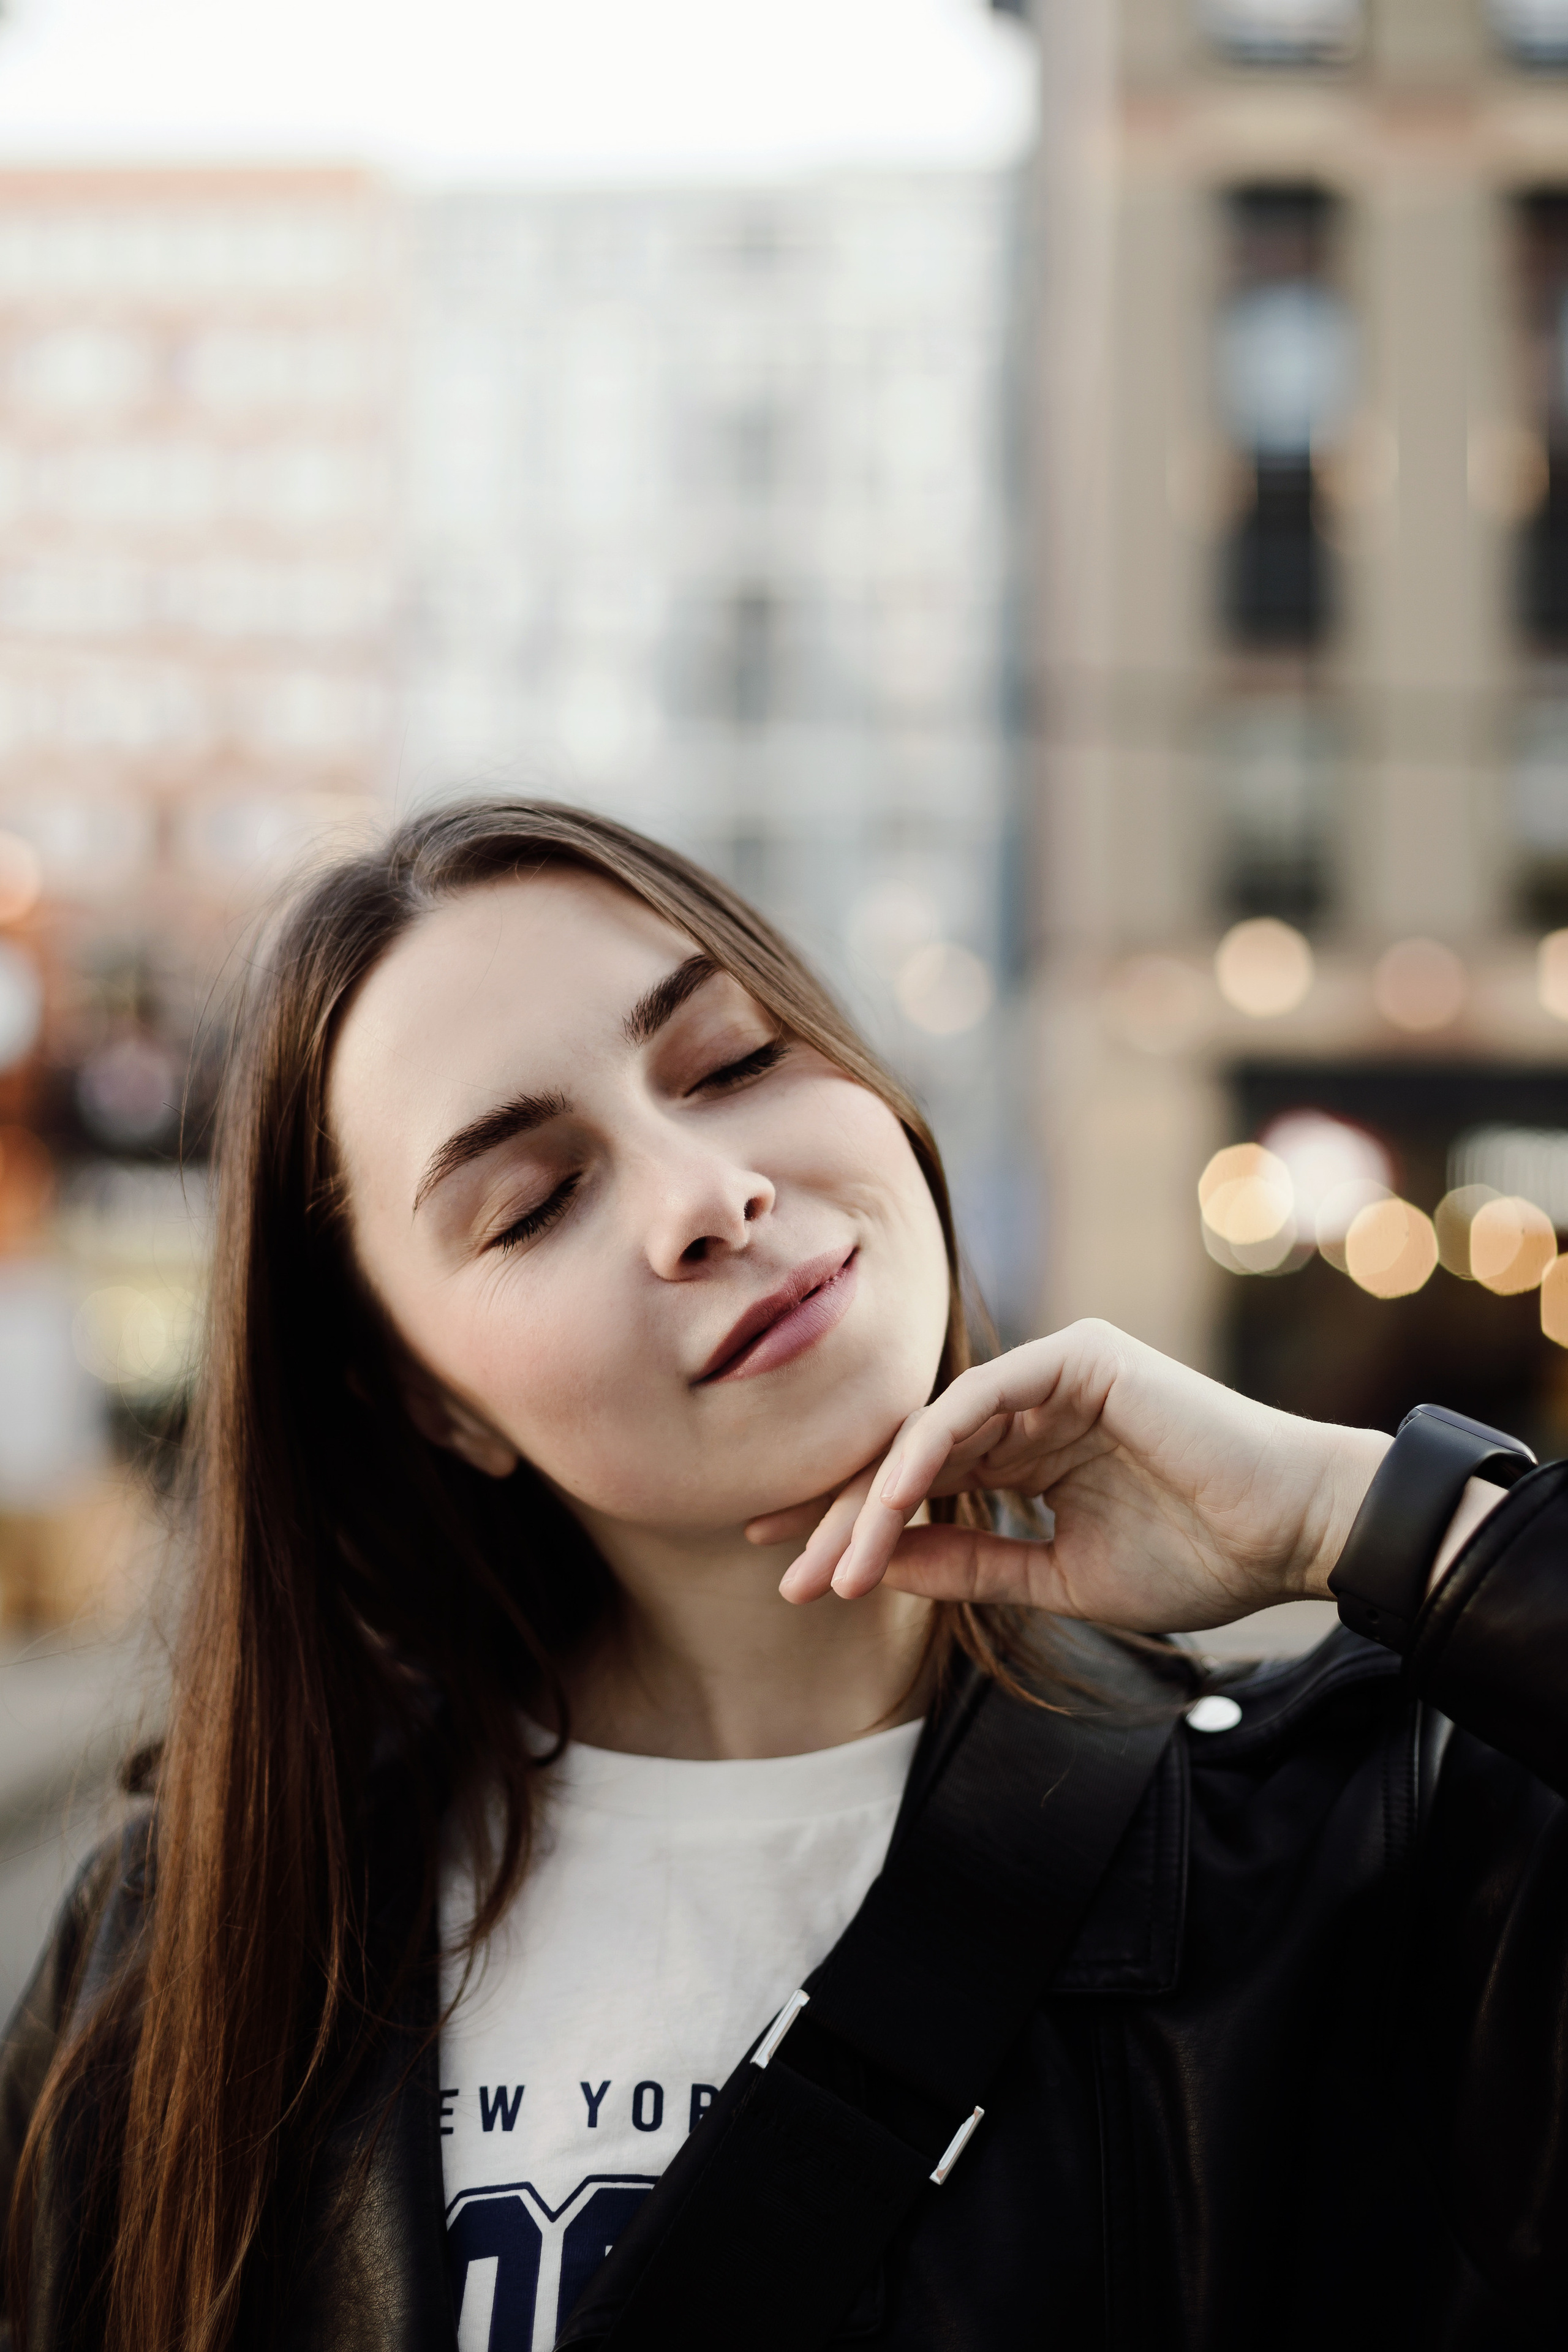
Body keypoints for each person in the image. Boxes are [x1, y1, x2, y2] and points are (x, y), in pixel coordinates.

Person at [0, 798, 1561, 2352]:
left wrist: (1359, 1515)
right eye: (533, 1202)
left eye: (735, 1064)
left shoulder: (1346, 1842)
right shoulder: (194, 1951)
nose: (706, 1197)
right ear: (431, 1403)